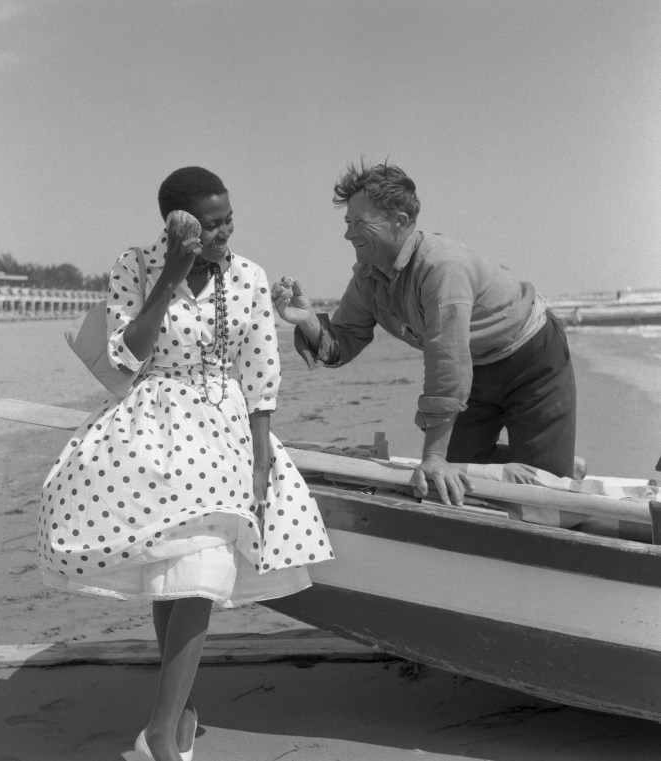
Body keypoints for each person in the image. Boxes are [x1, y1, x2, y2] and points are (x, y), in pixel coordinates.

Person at [39, 166, 334, 761]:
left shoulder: (249, 276)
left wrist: (260, 458)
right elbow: (126, 359)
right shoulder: (135, 264)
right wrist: (169, 277)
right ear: (179, 224)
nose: (225, 232)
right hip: (153, 427)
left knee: (203, 568)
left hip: (224, 430)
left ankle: (161, 727)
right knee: (170, 571)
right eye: (212, 223)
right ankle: (181, 712)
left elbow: (261, 371)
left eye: (230, 219)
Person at [272, 161, 578, 507]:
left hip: (531, 360)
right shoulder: (368, 277)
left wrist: (432, 457)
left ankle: (556, 465)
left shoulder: (442, 265)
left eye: (360, 222)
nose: (348, 234)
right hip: (474, 374)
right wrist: (308, 320)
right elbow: (342, 342)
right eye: (347, 222)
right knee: (460, 477)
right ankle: (554, 459)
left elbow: (446, 361)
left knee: (545, 496)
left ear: (399, 222)